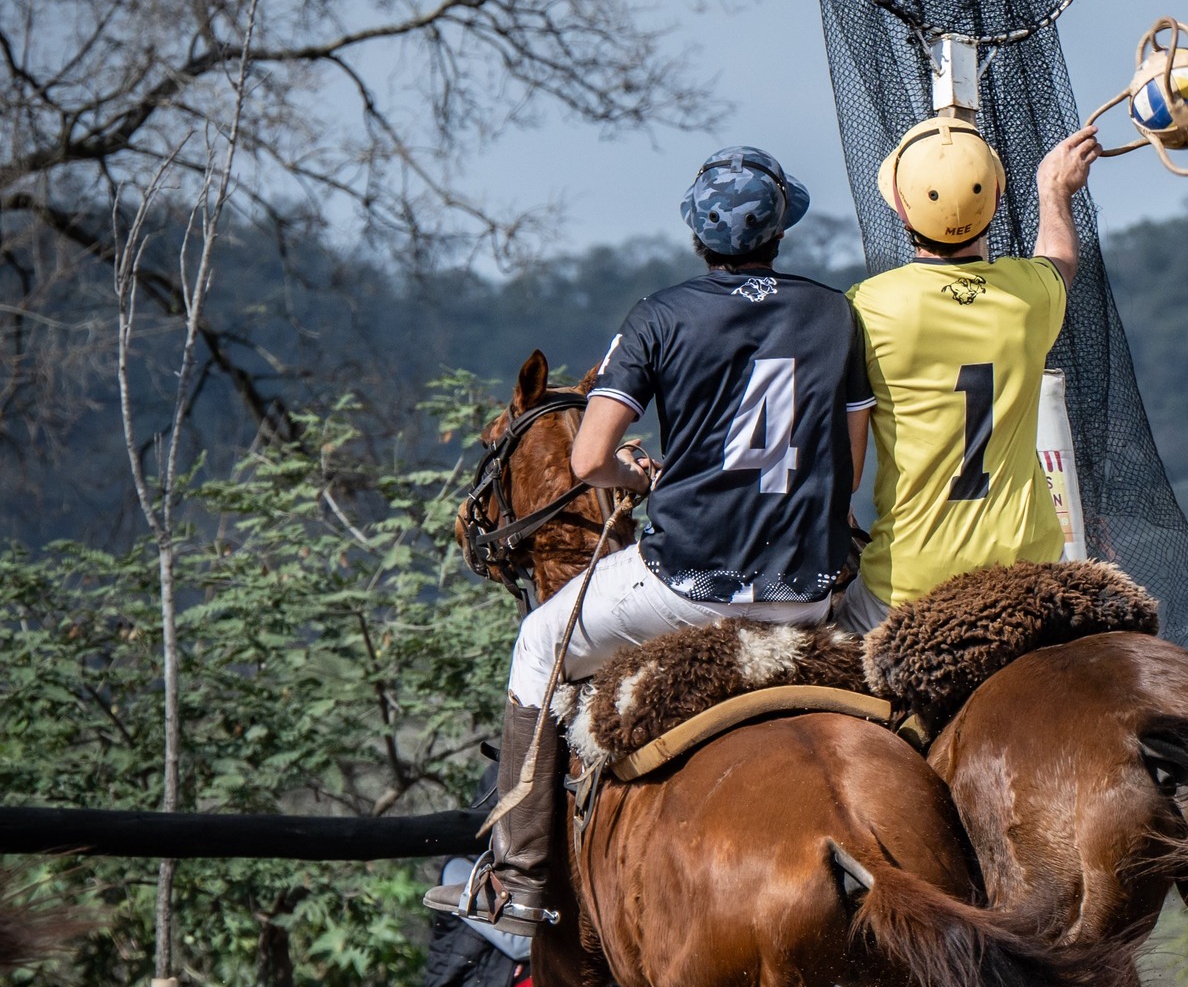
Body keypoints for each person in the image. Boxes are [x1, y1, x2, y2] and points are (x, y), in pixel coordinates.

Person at [428, 146, 874, 934]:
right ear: (780, 231)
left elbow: (589, 458)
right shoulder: (834, 313)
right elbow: (847, 463)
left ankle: (519, 881)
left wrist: (647, 480)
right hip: (808, 591)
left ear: (699, 237)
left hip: (686, 585)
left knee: (537, 642)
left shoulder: (659, 315)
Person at [834, 115, 1100, 633]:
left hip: (910, 584)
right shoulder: (1030, 296)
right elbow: (1060, 259)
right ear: (997, 201)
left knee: (815, 677)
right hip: (1030, 573)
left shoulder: (868, 307)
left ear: (900, 207)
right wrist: (1054, 189)